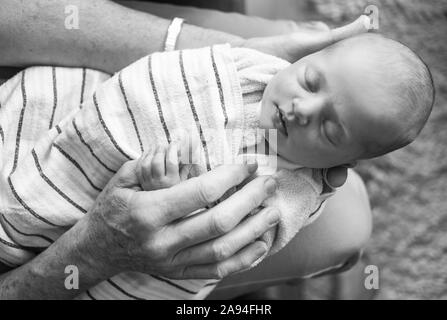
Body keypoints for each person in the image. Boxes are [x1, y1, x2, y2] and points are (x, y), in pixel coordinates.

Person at [0, 0, 371, 299]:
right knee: (347, 225)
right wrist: (91, 252)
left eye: (329, 128)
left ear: (345, 160)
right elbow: (160, 83)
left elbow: (223, 235)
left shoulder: (290, 192)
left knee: (302, 39)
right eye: (308, 82)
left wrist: (236, 50)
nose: (301, 109)